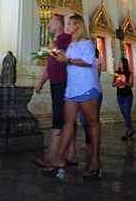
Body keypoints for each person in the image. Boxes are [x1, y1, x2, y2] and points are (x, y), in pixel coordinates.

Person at [43, 14, 102, 180]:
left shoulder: (86, 43)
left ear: (78, 26)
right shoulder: (71, 45)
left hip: (87, 86)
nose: (67, 26)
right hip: (72, 88)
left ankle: (95, 160)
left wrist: (67, 59)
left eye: (70, 23)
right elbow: (62, 57)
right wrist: (54, 49)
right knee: (67, 122)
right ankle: (59, 160)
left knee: (92, 123)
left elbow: (88, 61)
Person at [34, 15, 77, 167]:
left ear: (58, 24)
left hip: (64, 81)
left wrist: (55, 48)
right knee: (66, 117)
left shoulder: (65, 38)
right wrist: (40, 82)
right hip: (55, 82)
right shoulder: (54, 42)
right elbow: (49, 66)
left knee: (60, 116)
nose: (49, 24)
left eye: (51, 21)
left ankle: (53, 154)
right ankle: (71, 153)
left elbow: (67, 57)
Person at [79, 47, 102, 152]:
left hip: (93, 92)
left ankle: (93, 144)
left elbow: (96, 77)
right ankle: (89, 140)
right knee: (83, 119)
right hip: (82, 92)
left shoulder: (96, 61)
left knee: (93, 119)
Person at [113, 57, 135, 140]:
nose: (120, 64)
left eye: (121, 62)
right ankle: (131, 129)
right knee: (123, 113)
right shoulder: (116, 73)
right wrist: (116, 83)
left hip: (127, 95)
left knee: (127, 112)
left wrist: (123, 82)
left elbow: (131, 85)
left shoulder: (129, 73)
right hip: (119, 94)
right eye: (119, 62)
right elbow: (113, 84)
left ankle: (126, 131)